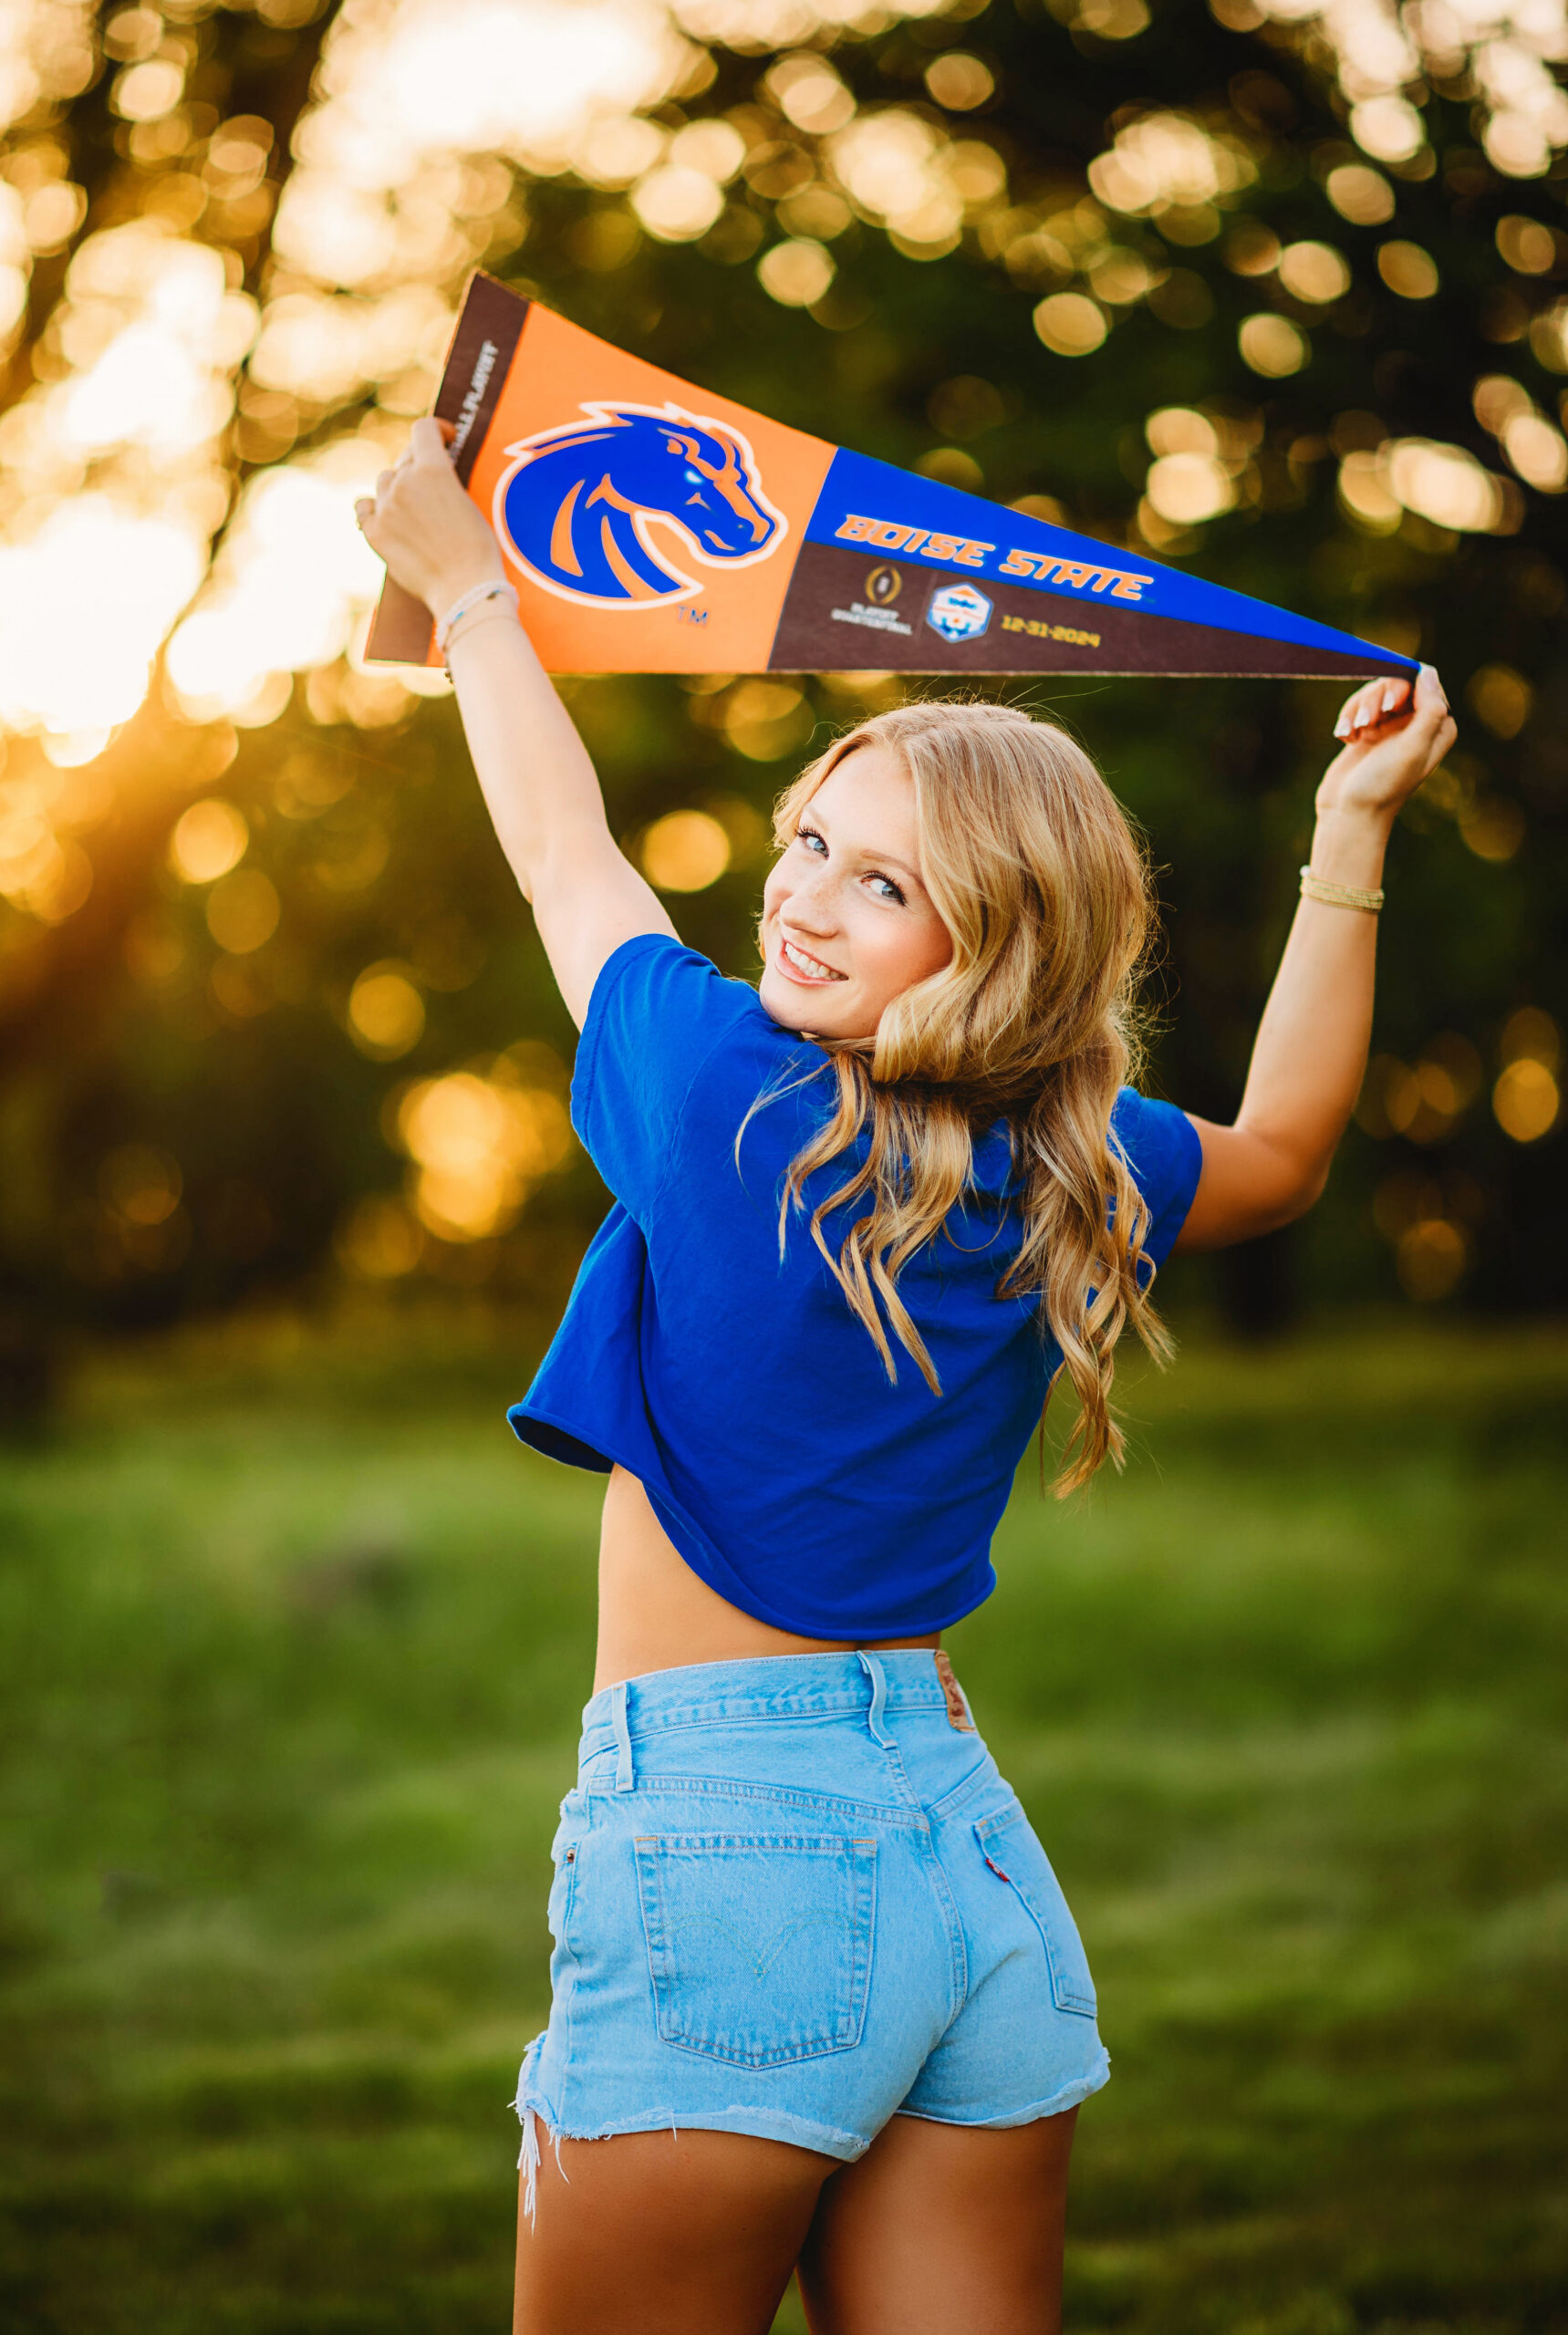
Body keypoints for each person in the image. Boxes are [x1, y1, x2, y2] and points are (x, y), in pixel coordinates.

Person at [357, 419, 1455, 2335]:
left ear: (997, 942)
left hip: (730, 1856)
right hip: (961, 1857)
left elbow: (560, 850)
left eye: (877, 885)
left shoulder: (723, 1098)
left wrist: (468, 588)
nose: (797, 894)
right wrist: (1346, 840)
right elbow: (1280, 1147)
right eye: (807, 840)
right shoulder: (1070, 1156)